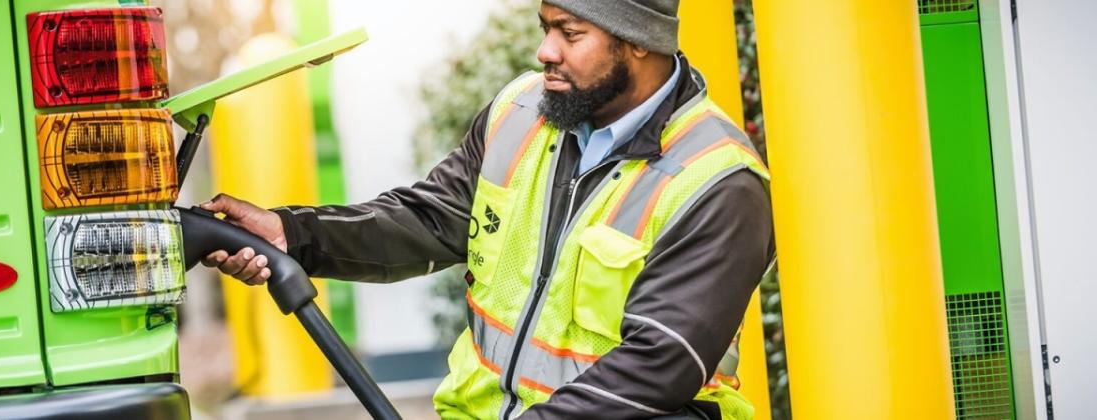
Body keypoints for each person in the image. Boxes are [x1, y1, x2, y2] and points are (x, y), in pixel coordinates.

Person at [200, 1, 774, 418]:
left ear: (639, 40)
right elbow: (427, 220)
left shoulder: (717, 181)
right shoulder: (522, 111)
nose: (544, 51)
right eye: (545, 27)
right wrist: (291, 232)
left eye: (569, 32)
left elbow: (655, 367)